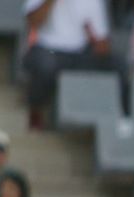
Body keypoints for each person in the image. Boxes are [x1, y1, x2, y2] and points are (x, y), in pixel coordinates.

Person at [22, 0, 122, 131]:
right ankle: (36, 111)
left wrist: (95, 39)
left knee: (117, 65)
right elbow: (33, 23)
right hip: (46, 47)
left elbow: (102, 43)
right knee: (46, 66)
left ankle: (119, 122)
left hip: (79, 51)